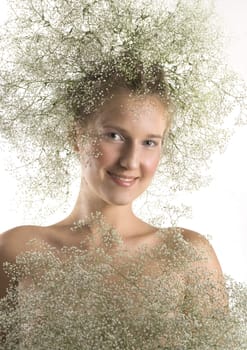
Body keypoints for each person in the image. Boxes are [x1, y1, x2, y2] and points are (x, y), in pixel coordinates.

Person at [0, 60, 229, 349]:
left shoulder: (187, 256)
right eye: (115, 136)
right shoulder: (16, 250)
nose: (130, 161)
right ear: (76, 136)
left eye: (149, 142)